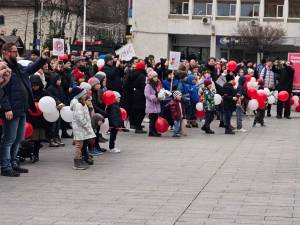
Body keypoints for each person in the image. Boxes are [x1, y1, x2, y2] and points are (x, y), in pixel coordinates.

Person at [0, 43, 47, 177]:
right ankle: (5, 166)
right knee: (8, 139)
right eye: (14, 51)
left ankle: (14, 163)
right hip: (11, 110)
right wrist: (6, 108)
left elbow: (30, 69)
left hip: (21, 109)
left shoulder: (18, 67)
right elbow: (1, 90)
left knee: (18, 138)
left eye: (16, 51)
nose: (16, 54)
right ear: (5, 52)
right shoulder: (3, 68)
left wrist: (42, 59)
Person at [70, 87, 95, 170]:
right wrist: (86, 125)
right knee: (78, 145)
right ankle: (76, 163)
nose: (85, 95)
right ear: (80, 96)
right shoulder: (78, 105)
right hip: (79, 128)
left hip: (82, 128)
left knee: (81, 145)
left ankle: (80, 160)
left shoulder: (82, 103)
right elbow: (80, 118)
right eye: (84, 94)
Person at [27, 75, 49, 162]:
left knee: (38, 139)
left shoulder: (44, 93)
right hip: (30, 119)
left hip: (40, 119)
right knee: (31, 138)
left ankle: (36, 154)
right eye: (33, 85)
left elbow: (50, 100)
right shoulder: (29, 93)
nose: (34, 87)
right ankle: (30, 154)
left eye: (36, 85)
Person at [47, 73, 68, 147]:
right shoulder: (50, 88)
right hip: (53, 109)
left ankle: (57, 138)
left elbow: (63, 96)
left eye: (60, 80)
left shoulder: (60, 88)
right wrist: (58, 103)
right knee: (53, 125)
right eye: (58, 80)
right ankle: (51, 139)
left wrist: (64, 103)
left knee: (58, 125)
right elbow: (52, 97)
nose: (60, 81)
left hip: (60, 108)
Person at [144, 70, 162, 137]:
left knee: (155, 119)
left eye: (156, 77)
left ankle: (155, 130)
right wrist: (155, 97)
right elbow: (147, 95)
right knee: (152, 120)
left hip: (156, 104)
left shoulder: (156, 85)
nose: (156, 78)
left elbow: (158, 92)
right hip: (151, 105)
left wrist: (161, 95)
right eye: (154, 77)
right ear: (151, 78)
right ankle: (151, 131)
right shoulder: (148, 86)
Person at [131, 62, 147, 134]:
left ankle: (137, 125)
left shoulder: (134, 74)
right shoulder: (142, 76)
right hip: (141, 95)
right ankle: (138, 127)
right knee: (141, 111)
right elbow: (143, 86)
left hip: (135, 94)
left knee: (137, 111)